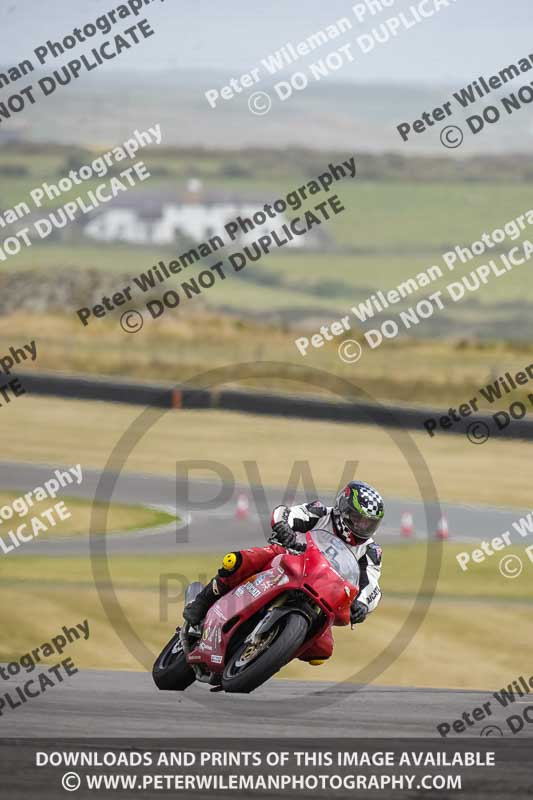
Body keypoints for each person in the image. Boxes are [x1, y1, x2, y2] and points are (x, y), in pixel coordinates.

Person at [183, 480, 384, 641]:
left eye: (369, 523)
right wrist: (283, 527)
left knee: (322, 651)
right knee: (236, 561)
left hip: (324, 589)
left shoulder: (371, 550)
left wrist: (363, 604)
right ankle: (202, 601)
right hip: (291, 559)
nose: (363, 526)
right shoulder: (321, 512)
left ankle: (274, 647)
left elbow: (372, 585)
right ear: (344, 509)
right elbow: (287, 513)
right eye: (359, 519)